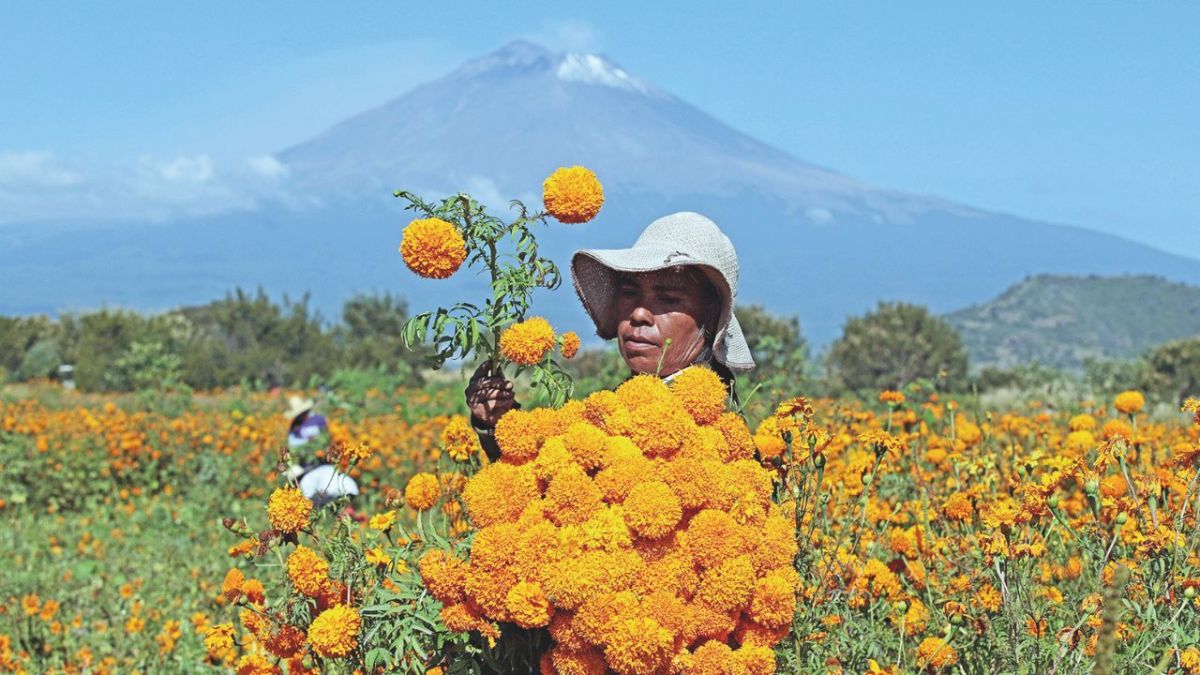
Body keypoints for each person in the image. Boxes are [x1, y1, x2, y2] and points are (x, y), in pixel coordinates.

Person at [466, 211, 755, 460]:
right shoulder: (615, 408)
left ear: (709, 316)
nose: (639, 314)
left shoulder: (718, 437)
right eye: (630, 293)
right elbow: (552, 489)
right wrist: (496, 422)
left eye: (668, 299)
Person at [282, 395, 359, 508]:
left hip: (324, 462)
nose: (300, 416)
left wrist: (326, 449)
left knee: (337, 488)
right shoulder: (294, 427)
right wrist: (307, 444)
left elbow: (328, 437)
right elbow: (293, 446)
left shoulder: (319, 419)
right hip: (307, 466)